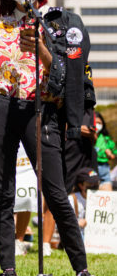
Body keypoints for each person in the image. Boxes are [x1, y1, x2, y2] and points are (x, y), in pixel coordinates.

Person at [0, 0, 103, 276]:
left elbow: (65, 75)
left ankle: (83, 272)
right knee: (3, 193)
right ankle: (8, 272)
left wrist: (41, 47)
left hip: (40, 109)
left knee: (56, 191)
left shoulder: (55, 24)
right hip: (1, 109)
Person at [43, 107, 98, 257]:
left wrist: (92, 134)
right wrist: (79, 130)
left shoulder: (90, 110)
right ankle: (46, 243)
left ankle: (86, 241)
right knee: (55, 197)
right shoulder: (65, 104)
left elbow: (95, 138)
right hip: (67, 155)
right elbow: (57, 125)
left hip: (86, 158)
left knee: (87, 197)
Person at [68, 167, 100, 239]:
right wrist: (77, 224)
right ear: (81, 185)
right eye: (90, 183)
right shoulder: (72, 199)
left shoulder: (101, 198)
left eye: (96, 183)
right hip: (78, 233)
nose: (94, 186)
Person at [95, 111, 116, 191]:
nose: (97, 125)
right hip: (91, 171)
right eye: (95, 122)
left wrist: (110, 154)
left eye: (99, 123)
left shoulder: (107, 139)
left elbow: (114, 155)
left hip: (104, 169)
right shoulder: (86, 138)